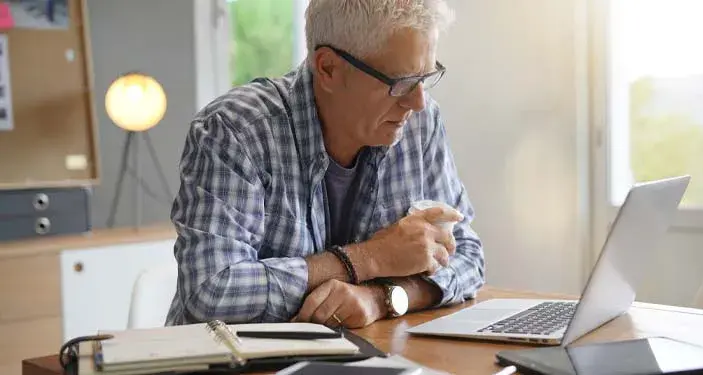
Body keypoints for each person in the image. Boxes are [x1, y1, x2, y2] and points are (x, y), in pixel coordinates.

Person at [165, 0, 485, 328]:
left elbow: (469, 256)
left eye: (425, 77)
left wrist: (383, 297)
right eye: (400, 82)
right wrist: (371, 258)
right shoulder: (236, 130)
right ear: (328, 68)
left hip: (367, 356)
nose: (417, 102)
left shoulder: (421, 124)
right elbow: (210, 292)